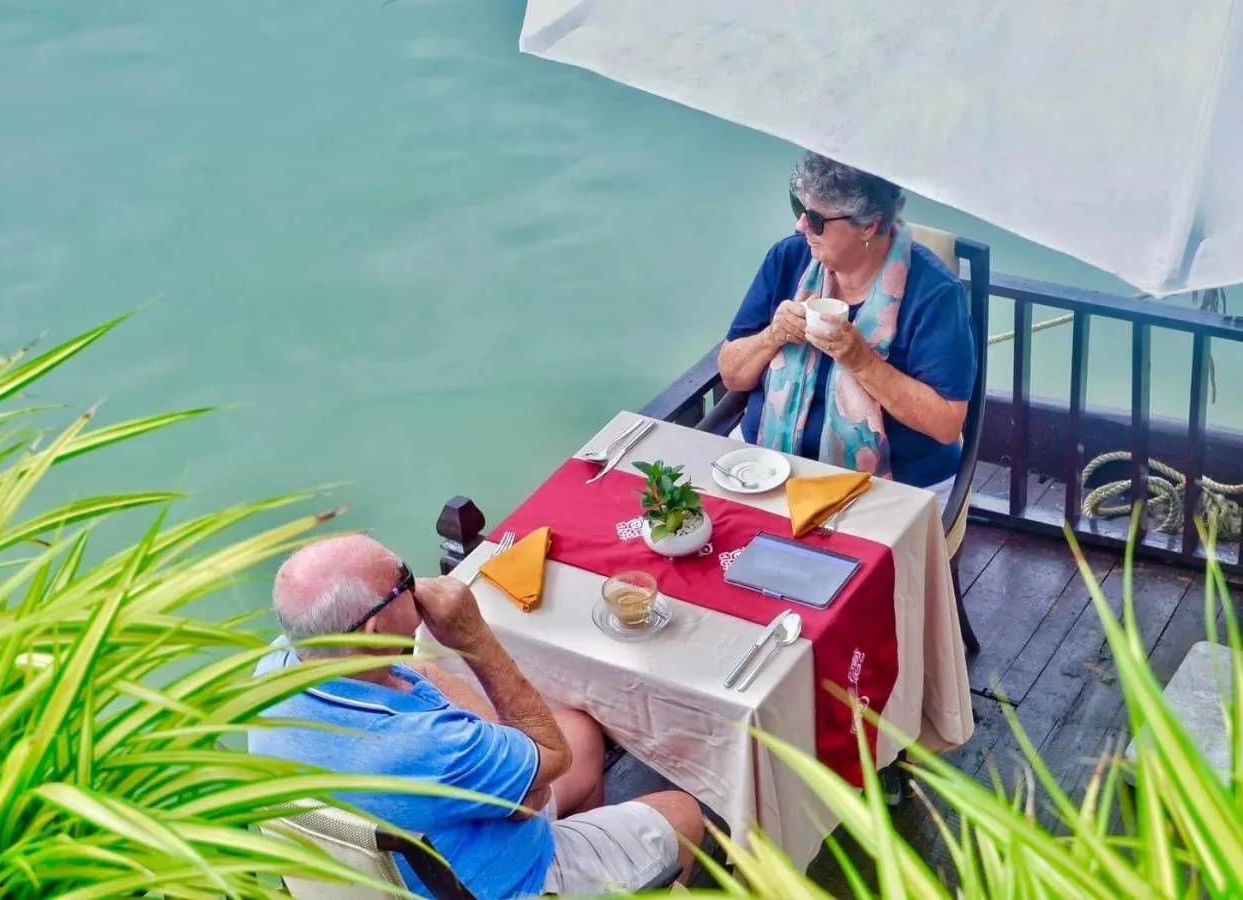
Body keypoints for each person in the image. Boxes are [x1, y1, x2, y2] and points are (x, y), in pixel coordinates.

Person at [247, 534, 704, 899]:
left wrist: (519, 772)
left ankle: (580, 839)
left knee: (581, 732)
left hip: (418, 863)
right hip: (503, 883)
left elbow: (422, 670)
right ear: (376, 629)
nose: (419, 584)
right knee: (682, 813)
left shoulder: (276, 669)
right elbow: (547, 759)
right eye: (403, 583)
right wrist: (473, 636)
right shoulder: (426, 747)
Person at [719, 151, 977, 493]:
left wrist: (862, 361)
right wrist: (772, 336)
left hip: (892, 485)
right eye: (799, 209)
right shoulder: (788, 258)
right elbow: (731, 373)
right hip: (767, 465)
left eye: (815, 217)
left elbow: (946, 424)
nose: (801, 225)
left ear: (869, 226)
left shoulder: (935, 293)